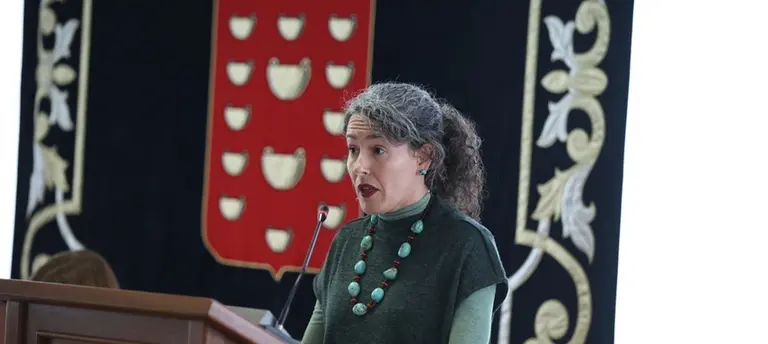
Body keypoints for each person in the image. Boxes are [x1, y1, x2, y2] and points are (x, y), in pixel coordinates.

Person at [301, 82, 508, 344]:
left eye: (378, 150)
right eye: (353, 150)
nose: (360, 167)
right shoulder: (346, 241)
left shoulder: (467, 246)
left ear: (423, 157)